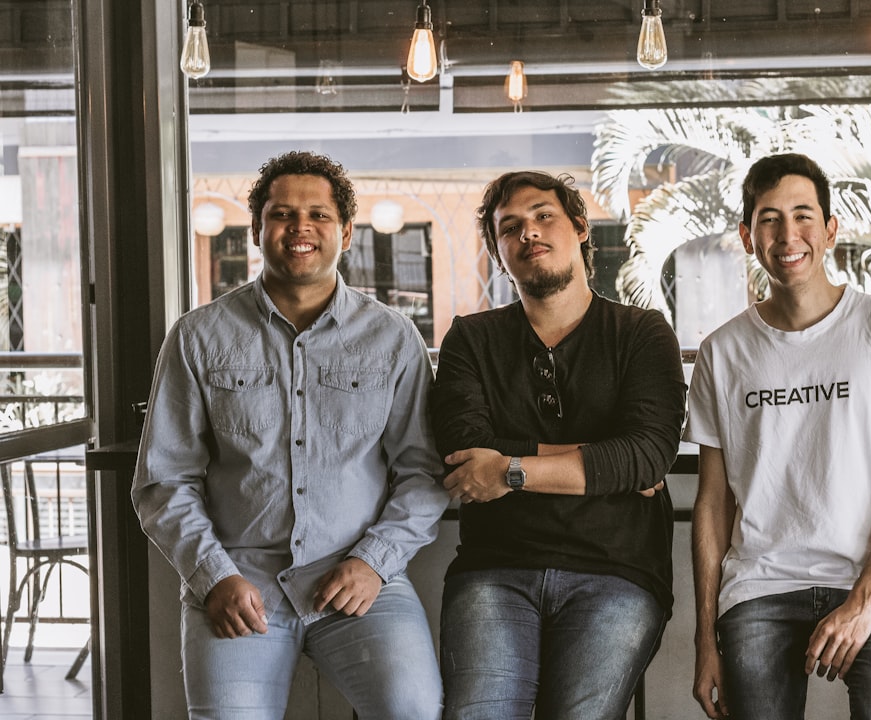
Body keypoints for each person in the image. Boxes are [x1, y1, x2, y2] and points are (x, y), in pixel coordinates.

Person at [132, 150, 449, 720]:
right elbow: (163, 480)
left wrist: (375, 561)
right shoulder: (197, 337)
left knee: (414, 711)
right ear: (256, 229)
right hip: (238, 585)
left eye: (319, 215)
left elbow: (423, 473)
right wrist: (213, 576)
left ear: (346, 232)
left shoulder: (394, 337)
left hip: (358, 580)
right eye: (282, 214)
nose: (300, 227)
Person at [685, 153, 871, 719]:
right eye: (769, 219)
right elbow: (711, 504)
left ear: (830, 229)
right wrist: (705, 640)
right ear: (747, 235)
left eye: (804, 216)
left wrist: (862, 603)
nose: (789, 235)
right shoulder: (722, 353)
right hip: (759, 585)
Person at [430, 170, 687, 720]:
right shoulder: (470, 339)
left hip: (617, 571)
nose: (529, 233)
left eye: (544, 216)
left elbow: (647, 453)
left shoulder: (643, 333)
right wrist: (603, 460)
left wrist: (510, 469)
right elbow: (465, 452)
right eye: (510, 227)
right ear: (499, 253)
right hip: (495, 568)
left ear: (579, 228)